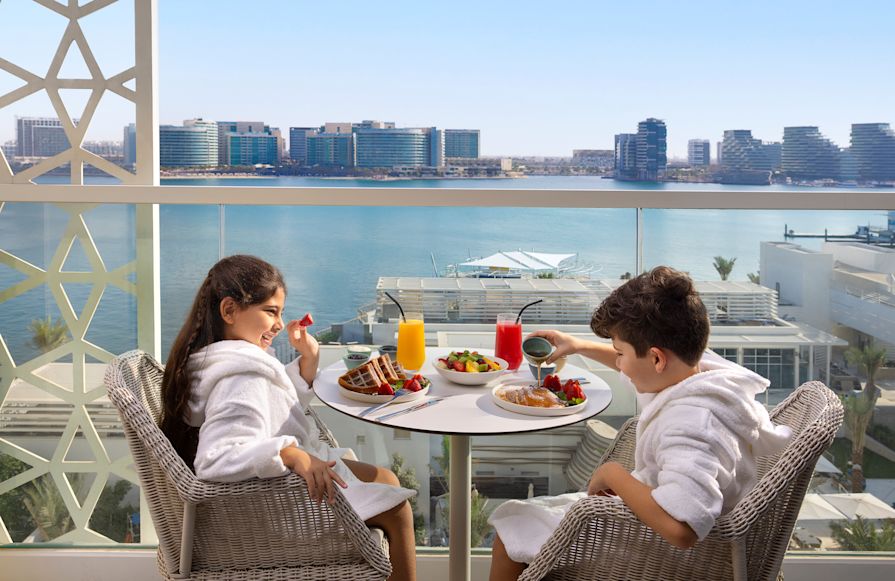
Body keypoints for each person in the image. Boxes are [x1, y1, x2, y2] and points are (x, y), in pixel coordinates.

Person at [488, 266, 792, 581]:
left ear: (657, 359)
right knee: (522, 519)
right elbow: (644, 359)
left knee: (511, 529)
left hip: (660, 551)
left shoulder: (691, 426)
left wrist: (613, 475)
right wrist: (578, 346)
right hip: (660, 520)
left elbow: (682, 529)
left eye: (620, 354)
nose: (619, 364)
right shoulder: (704, 373)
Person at [160, 255, 417, 581]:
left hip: (265, 494)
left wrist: (308, 358)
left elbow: (268, 406)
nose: (280, 324)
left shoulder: (220, 360)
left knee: (385, 478)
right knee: (399, 511)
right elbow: (216, 459)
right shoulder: (240, 378)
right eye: (271, 312)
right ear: (229, 310)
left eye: (280, 312)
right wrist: (289, 453)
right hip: (271, 511)